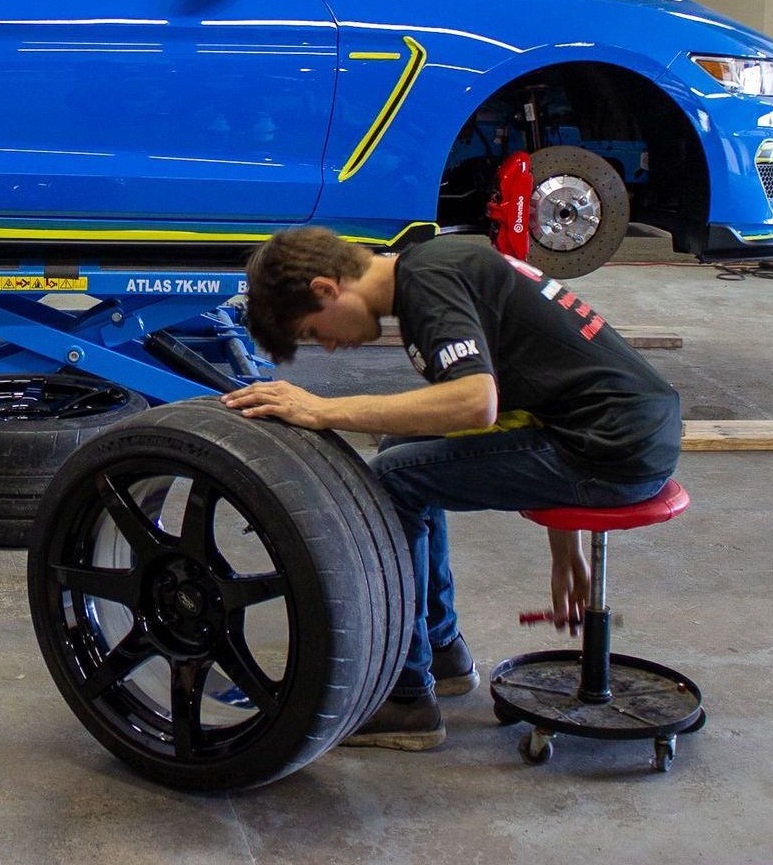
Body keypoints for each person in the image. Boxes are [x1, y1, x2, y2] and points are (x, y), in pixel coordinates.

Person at [223, 227, 680, 751]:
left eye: (313, 331)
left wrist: (325, 409)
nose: (327, 344)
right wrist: (564, 542)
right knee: (405, 443)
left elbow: (476, 404)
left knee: (393, 479)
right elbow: (551, 381)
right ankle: (441, 651)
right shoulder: (431, 263)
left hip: (612, 451)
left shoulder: (427, 286)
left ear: (327, 289)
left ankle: (406, 698)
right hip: (623, 432)